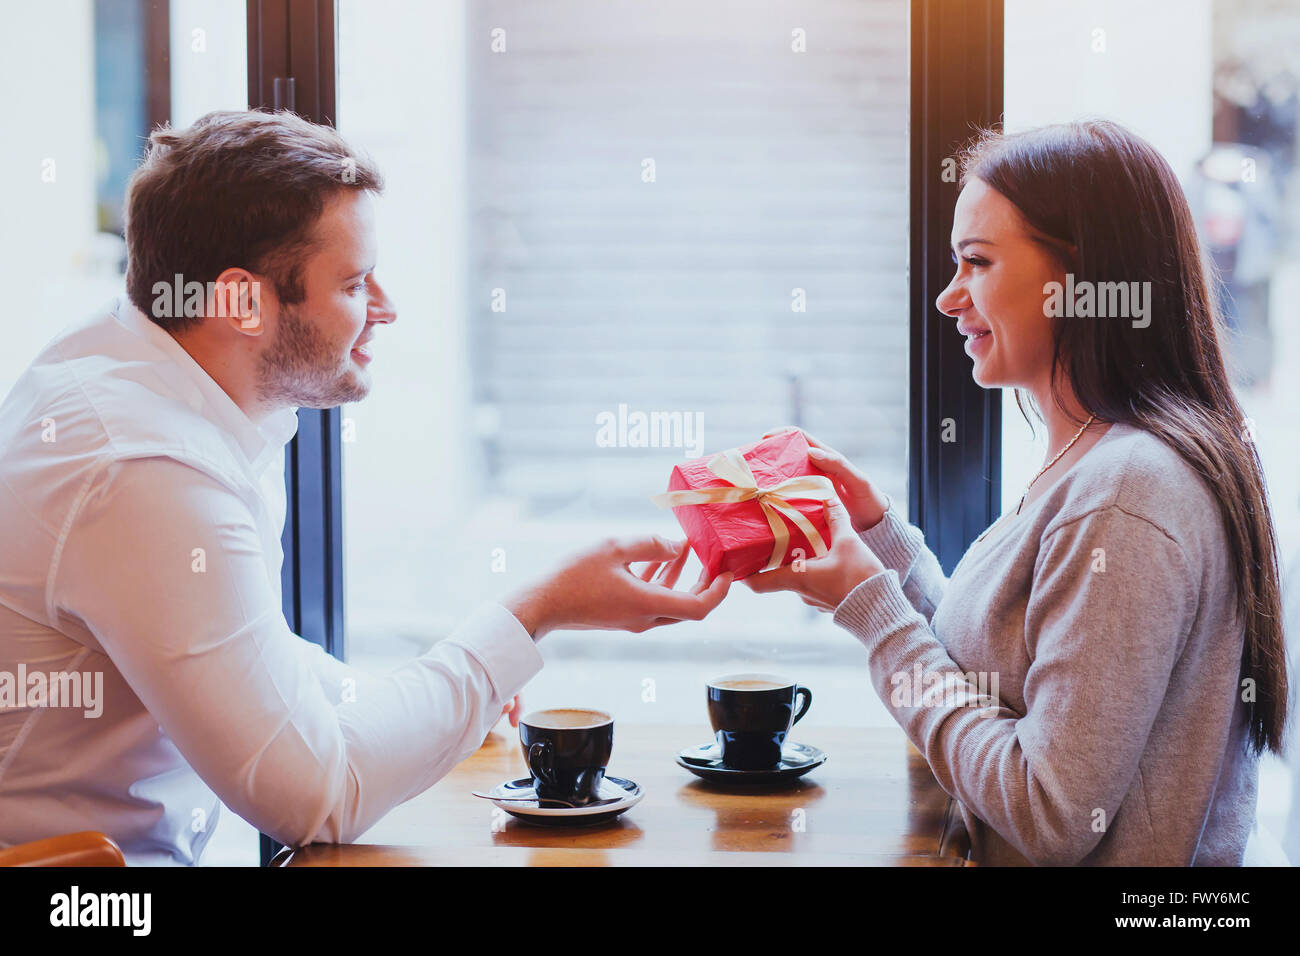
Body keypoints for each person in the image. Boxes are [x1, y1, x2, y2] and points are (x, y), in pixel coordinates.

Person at [0, 110, 731, 865]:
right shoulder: (143, 468)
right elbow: (316, 799)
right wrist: (538, 612)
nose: (385, 307)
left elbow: (248, 657)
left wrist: (439, 709)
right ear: (241, 302)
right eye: (352, 282)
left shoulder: (142, 374)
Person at [745, 120, 1290, 865]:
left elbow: (1049, 813)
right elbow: (1000, 683)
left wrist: (872, 612)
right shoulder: (1098, 455)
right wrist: (881, 542)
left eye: (977, 263)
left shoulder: (1126, 494)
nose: (947, 298)